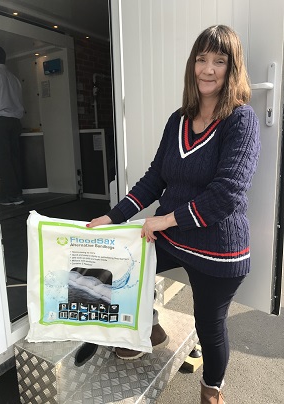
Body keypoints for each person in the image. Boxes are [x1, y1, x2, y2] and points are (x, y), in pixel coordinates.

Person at [86, 25, 260, 404]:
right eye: (201, 59)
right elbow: (155, 178)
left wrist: (164, 220)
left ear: (233, 69)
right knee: (124, 257)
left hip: (219, 248)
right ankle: (150, 330)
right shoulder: (178, 119)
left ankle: (212, 391)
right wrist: (114, 218)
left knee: (209, 327)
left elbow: (226, 195)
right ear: (192, 65)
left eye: (219, 61)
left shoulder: (241, 121)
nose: (208, 69)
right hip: (176, 235)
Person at [0, 45, 25, 206]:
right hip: (15, 122)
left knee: (3, 158)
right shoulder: (14, 78)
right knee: (14, 158)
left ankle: (11, 195)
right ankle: (17, 193)